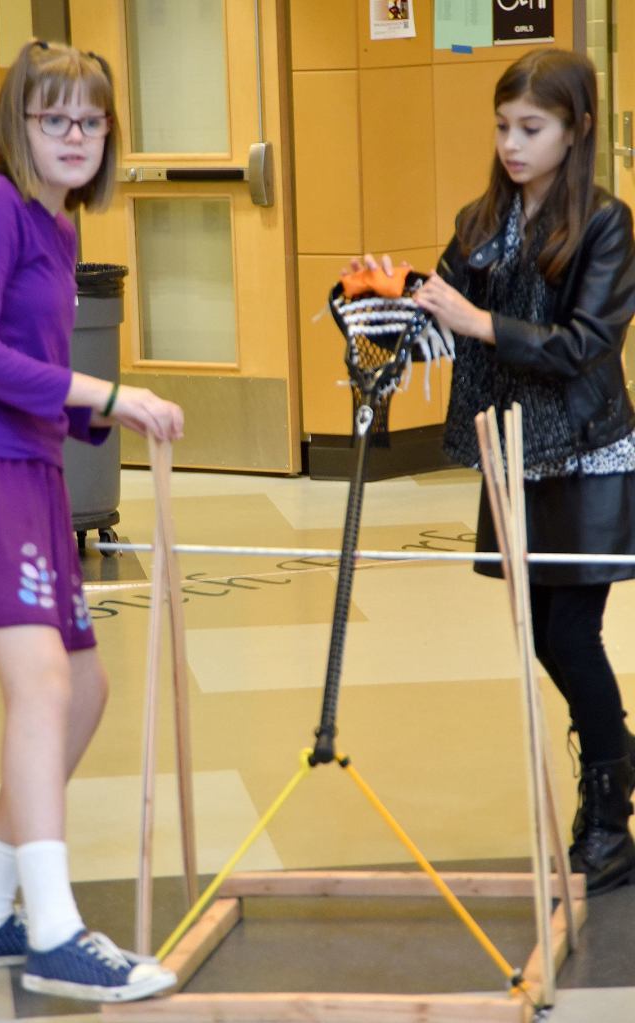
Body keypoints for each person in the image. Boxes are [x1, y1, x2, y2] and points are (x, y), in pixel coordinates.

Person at [0, 41, 183, 1001]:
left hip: (27, 467)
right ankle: (57, 931)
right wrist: (105, 392)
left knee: (83, 687)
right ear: (17, 124)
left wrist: (100, 411)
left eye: (91, 120)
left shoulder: (59, 225)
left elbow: (30, 364)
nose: (75, 135)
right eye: (53, 117)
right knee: (41, 684)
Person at [354, 48, 635, 896]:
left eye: (531, 128)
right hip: (511, 451)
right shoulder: (482, 220)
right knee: (542, 634)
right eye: (503, 127)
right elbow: (440, 323)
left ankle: (610, 815)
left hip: (587, 450)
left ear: (576, 130)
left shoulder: (605, 222)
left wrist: (477, 320)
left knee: (570, 633)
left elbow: (587, 346)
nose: (512, 144)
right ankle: (616, 753)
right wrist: (385, 307)